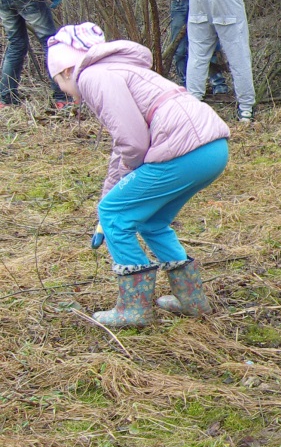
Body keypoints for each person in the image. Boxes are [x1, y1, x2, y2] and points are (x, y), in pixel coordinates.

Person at [47, 22, 231, 328]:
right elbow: (124, 148)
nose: (64, 90)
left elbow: (132, 143)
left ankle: (135, 308)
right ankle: (192, 300)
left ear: (66, 69)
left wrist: (109, 207)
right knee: (151, 220)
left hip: (183, 150)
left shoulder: (92, 75)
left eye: (57, 81)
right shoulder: (116, 70)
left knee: (114, 215)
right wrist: (112, 191)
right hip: (211, 150)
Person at [126, 0, 231, 97]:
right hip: (180, 1)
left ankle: (218, 84)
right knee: (179, 47)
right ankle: (186, 86)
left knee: (209, 43)